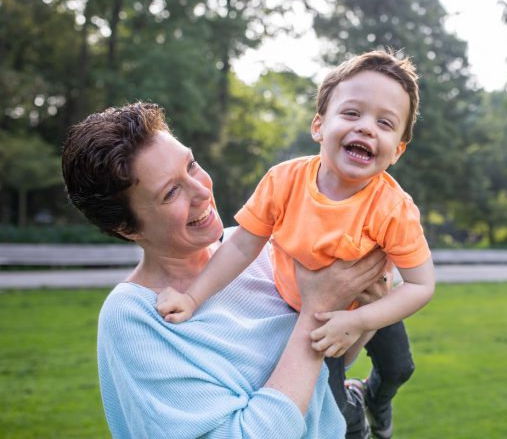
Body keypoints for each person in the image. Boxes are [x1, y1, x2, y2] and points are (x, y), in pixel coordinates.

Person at [61, 102, 389, 438]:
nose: (202, 191)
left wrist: (362, 309)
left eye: (191, 165)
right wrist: (316, 309)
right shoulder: (134, 318)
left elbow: (325, 369)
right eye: (171, 192)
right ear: (127, 228)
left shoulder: (265, 250)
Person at [156, 50, 436, 438]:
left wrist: (359, 320)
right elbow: (240, 247)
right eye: (352, 114)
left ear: (397, 151)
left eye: (385, 123)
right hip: (312, 314)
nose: (367, 128)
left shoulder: (394, 209)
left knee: (400, 367)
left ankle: (377, 401)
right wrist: (192, 297)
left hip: (370, 306)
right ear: (319, 126)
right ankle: (356, 413)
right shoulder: (283, 182)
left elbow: (422, 285)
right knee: (335, 413)